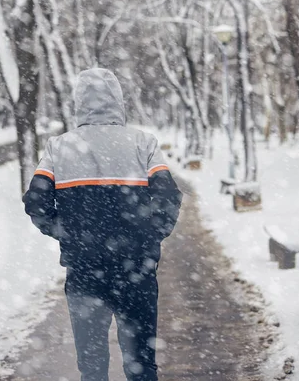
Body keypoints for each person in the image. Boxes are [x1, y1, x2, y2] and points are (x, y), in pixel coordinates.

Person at [23, 68, 183, 381]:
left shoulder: (59, 148)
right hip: (136, 271)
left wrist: (67, 234)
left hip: (84, 273)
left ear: (78, 102)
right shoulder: (143, 144)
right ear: (118, 101)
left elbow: (36, 203)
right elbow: (168, 197)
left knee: (92, 366)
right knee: (141, 365)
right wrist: (149, 237)